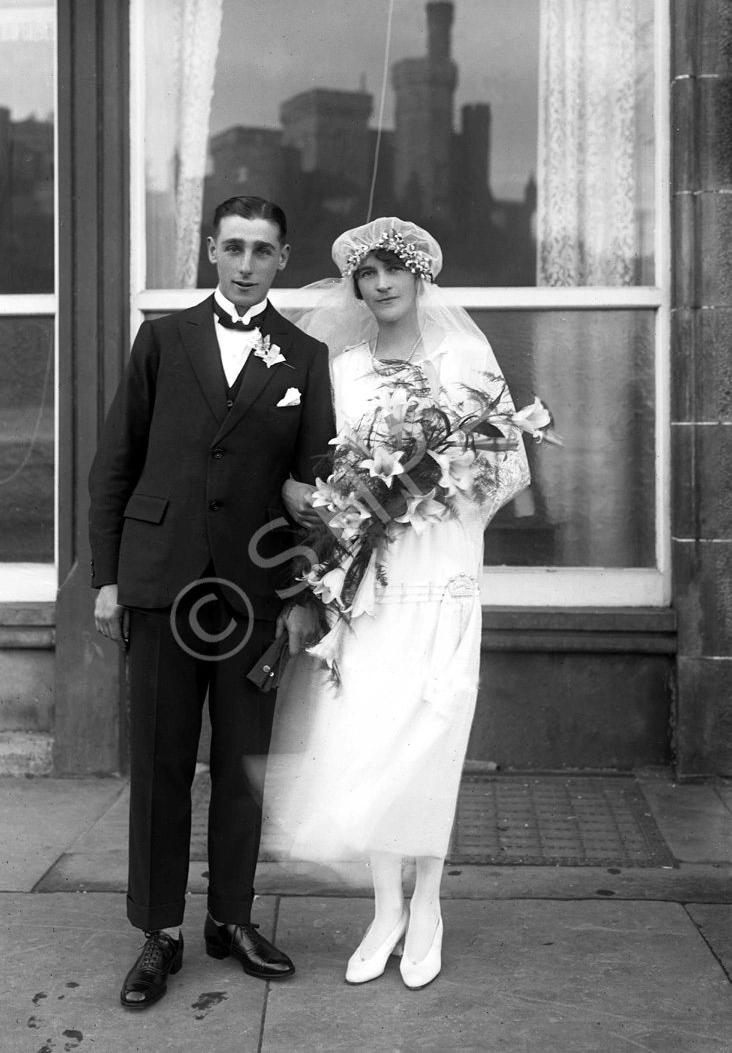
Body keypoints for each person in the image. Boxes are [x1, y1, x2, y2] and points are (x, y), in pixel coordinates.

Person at [270, 217, 531, 990]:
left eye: (394, 271)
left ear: (421, 279)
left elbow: (507, 465)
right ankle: (385, 908)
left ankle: (429, 907)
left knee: (432, 730)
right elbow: (322, 468)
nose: (380, 285)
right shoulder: (343, 370)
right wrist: (344, 502)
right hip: (371, 578)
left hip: (441, 567)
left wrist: (435, 485)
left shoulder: (463, 356)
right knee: (373, 734)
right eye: (368, 274)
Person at [88, 196, 335, 1008]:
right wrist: (108, 577)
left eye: (263, 250)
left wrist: (302, 598)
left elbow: (319, 492)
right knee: (161, 763)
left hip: (254, 597)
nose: (245, 263)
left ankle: (230, 917)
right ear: (210, 251)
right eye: (233, 248)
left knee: (242, 767)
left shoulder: (305, 357)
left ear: (283, 259)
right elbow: (115, 463)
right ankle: (159, 931)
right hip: (162, 584)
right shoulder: (163, 338)